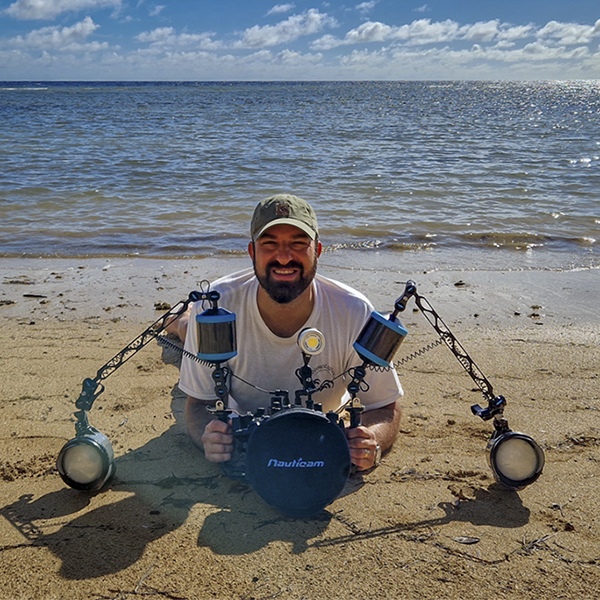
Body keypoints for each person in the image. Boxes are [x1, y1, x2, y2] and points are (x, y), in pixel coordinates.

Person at [171, 194, 403, 472]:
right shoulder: (213, 308)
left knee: (190, 334)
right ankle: (176, 321)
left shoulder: (355, 311)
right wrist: (207, 436)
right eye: (270, 244)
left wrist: (372, 440)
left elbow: (386, 407)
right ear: (251, 252)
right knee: (187, 330)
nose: (283, 257)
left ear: (317, 250)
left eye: (298, 244)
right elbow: (199, 404)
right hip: (237, 403)